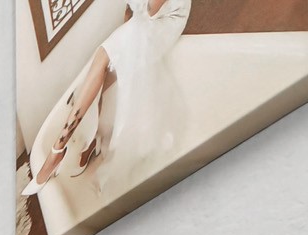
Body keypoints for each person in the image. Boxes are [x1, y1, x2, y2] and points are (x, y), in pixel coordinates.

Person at [25, 0, 191, 198]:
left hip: (164, 21)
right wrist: (127, 24)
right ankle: (82, 141)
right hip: (143, 20)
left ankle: (57, 152)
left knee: (107, 59)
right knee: (106, 60)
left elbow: (151, 11)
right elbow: (131, 11)